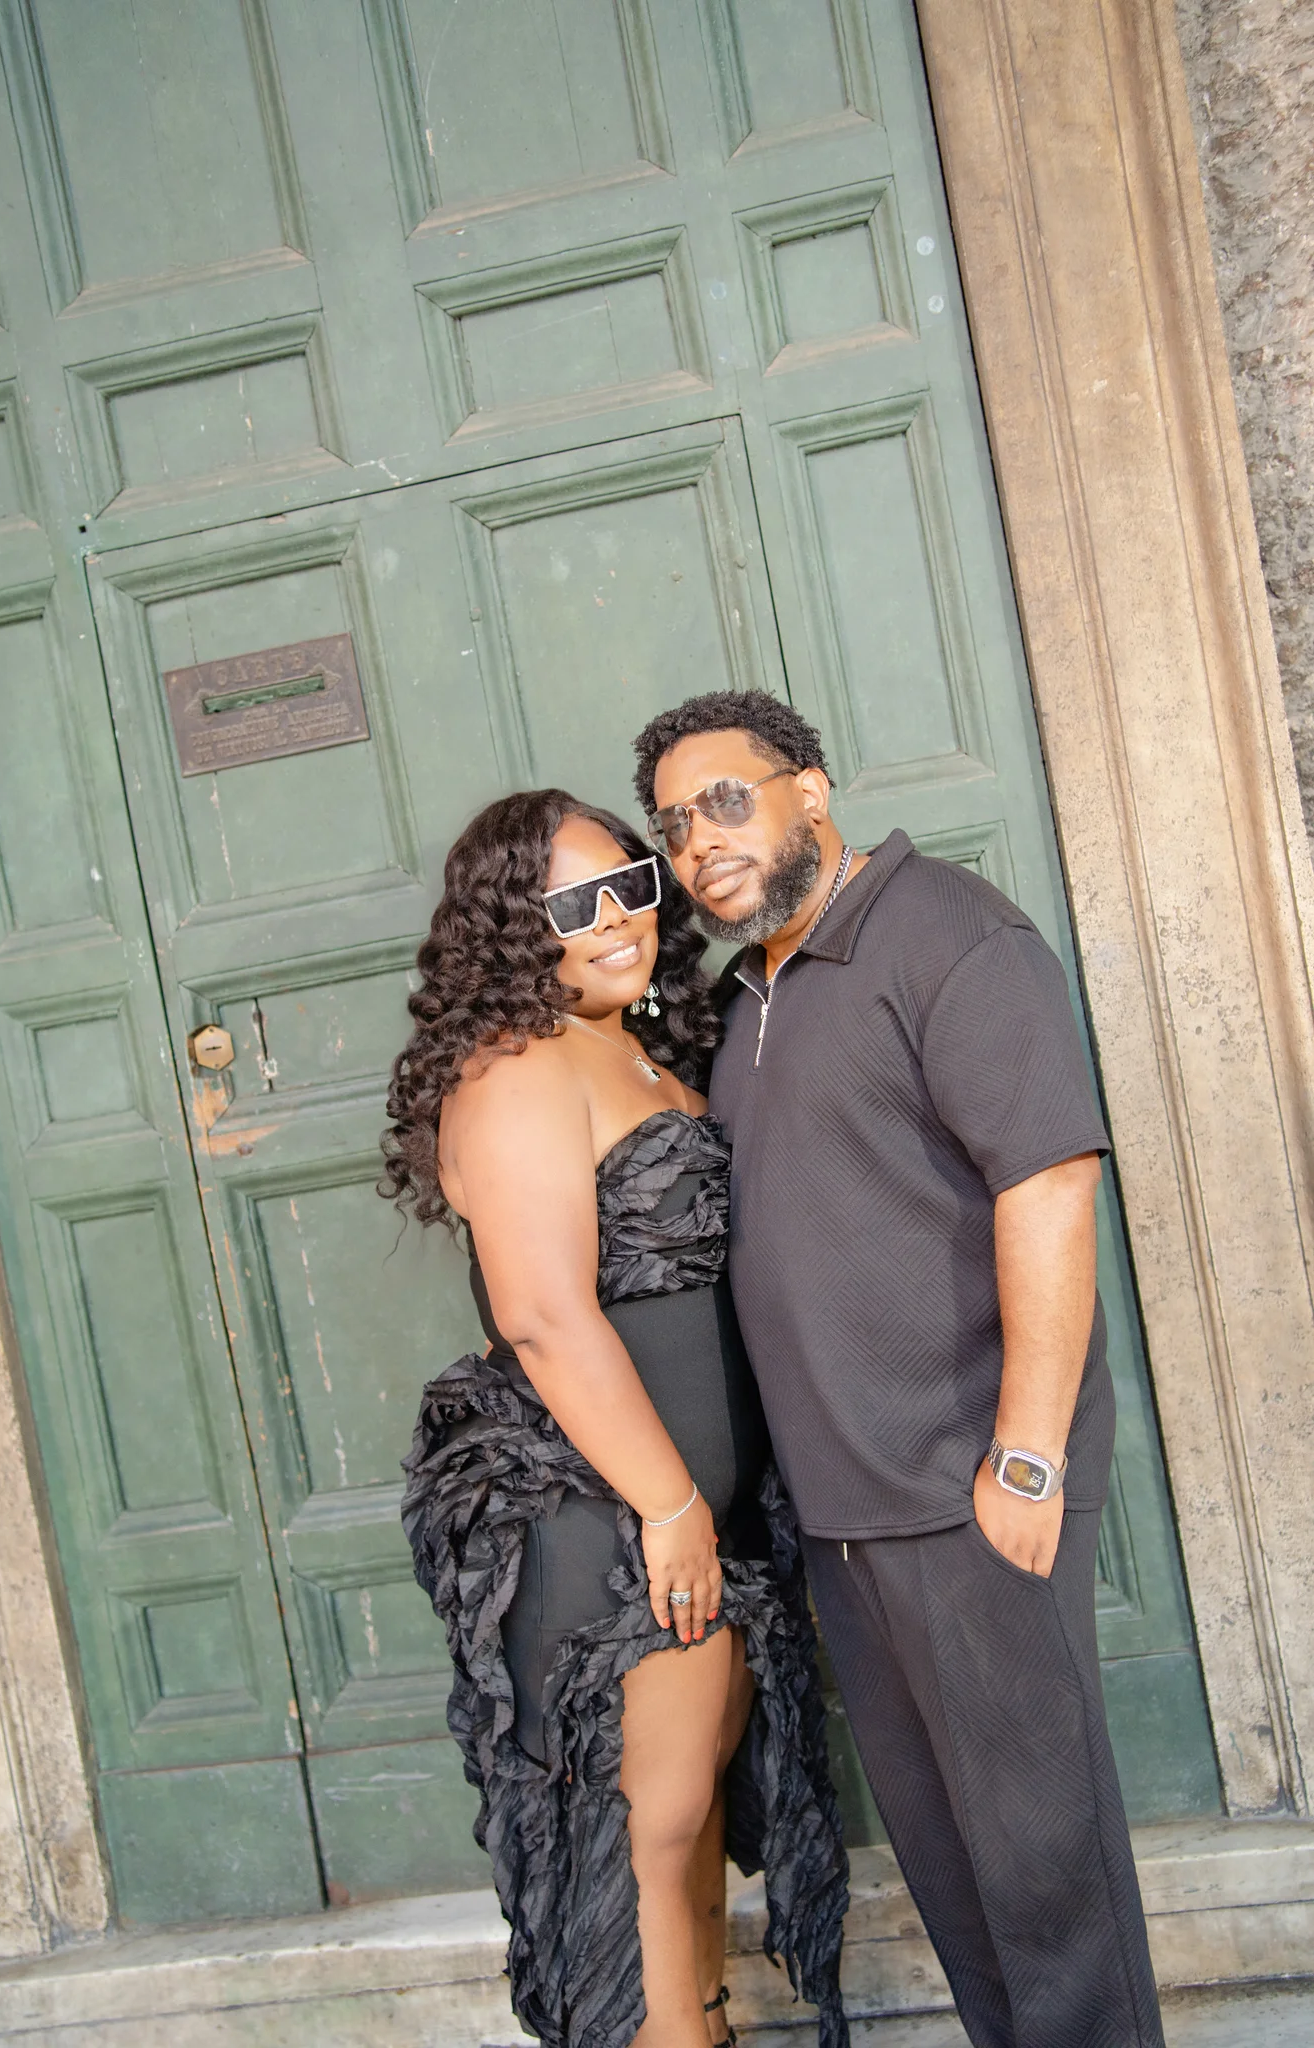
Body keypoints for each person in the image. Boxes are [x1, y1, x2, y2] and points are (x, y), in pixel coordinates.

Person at [630, 691, 1166, 2048]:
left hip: (969, 1490)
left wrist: (1026, 1457)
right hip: (845, 1518)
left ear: (808, 789)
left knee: (1049, 1880)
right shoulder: (749, 990)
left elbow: (1047, 1183)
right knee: (956, 1882)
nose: (701, 843)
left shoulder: (949, 934)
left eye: (726, 801)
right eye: (674, 826)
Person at [382, 789, 849, 2048]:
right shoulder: (517, 1068)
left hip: (701, 1506)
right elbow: (544, 1317)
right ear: (509, 928)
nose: (620, 919)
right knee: (645, 1834)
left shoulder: (639, 1048)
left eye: (631, 884)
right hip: (614, 1510)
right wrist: (671, 1505)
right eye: (576, 903)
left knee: (686, 1819)